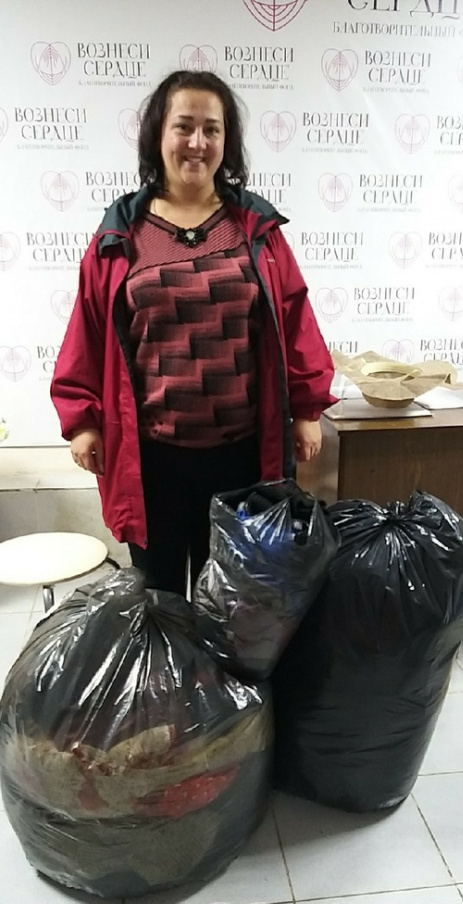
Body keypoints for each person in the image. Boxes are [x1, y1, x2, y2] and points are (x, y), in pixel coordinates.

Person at [51, 70, 335, 596]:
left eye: (212, 129)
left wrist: (308, 408)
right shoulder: (120, 235)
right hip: (152, 460)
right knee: (159, 601)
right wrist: (83, 422)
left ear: (227, 141)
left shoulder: (255, 230)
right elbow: (87, 332)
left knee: (229, 602)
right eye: (184, 126)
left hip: (242, 459)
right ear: (158, 134)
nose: (197, 142)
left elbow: (295, 319)